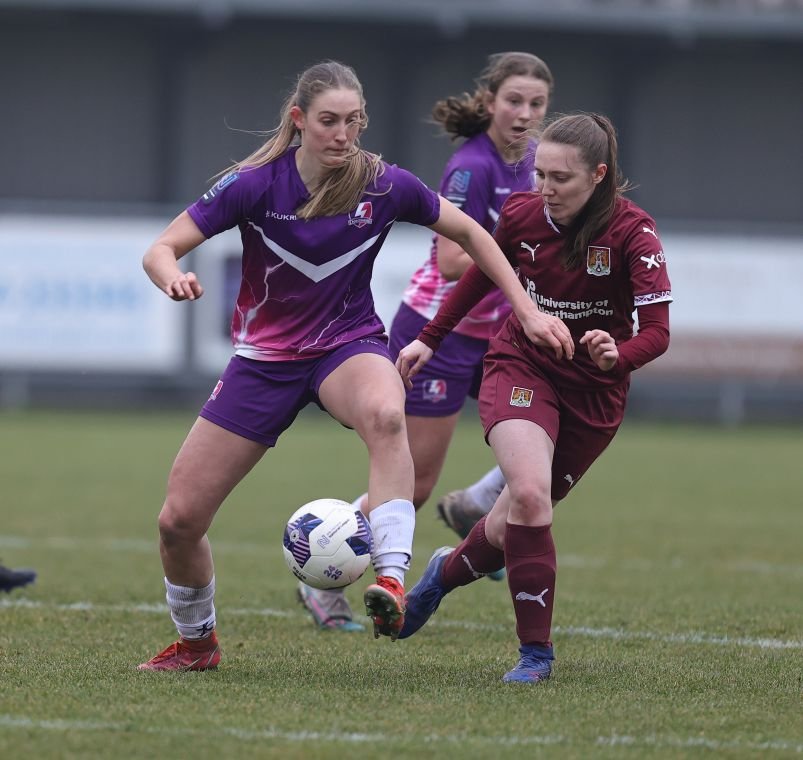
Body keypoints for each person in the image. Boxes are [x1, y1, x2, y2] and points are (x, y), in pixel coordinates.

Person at [137, 60, 573, 671]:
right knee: (178, 521)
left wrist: (525, 310)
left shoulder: (385, 184)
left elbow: (474, 237)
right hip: (264, 362)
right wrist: (173, 277)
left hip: (348, 344)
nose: (343, 135)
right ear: (299, 121)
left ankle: (390, 579)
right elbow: (161, 248)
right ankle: (196, 644)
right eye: (328, 122)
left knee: (386, 413)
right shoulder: (253, 184)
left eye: (353, 122)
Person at [395, 113, 672, 684]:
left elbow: (658, 331)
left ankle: (442, 574)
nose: (544, 189)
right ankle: (536, 654)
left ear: (598, 175)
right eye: (538, 174)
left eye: (560, 178)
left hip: (594, 396)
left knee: (510, 524)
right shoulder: (522, 214)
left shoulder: (633, 234)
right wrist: (430, 338)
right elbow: (478, 277)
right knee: (528, 494)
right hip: (521, 366)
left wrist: (617, 355)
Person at [297, 51, 555, 632]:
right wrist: (517, 249)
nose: (525, 114)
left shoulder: (540, 163)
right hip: (441, 332)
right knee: (411, 487)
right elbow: (449, 259)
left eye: (536, 104)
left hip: (504, 333)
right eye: (514, 101)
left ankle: (478, 503)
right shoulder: (472, 167)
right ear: (489, 102)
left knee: (562, 421)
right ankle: (320, 563)